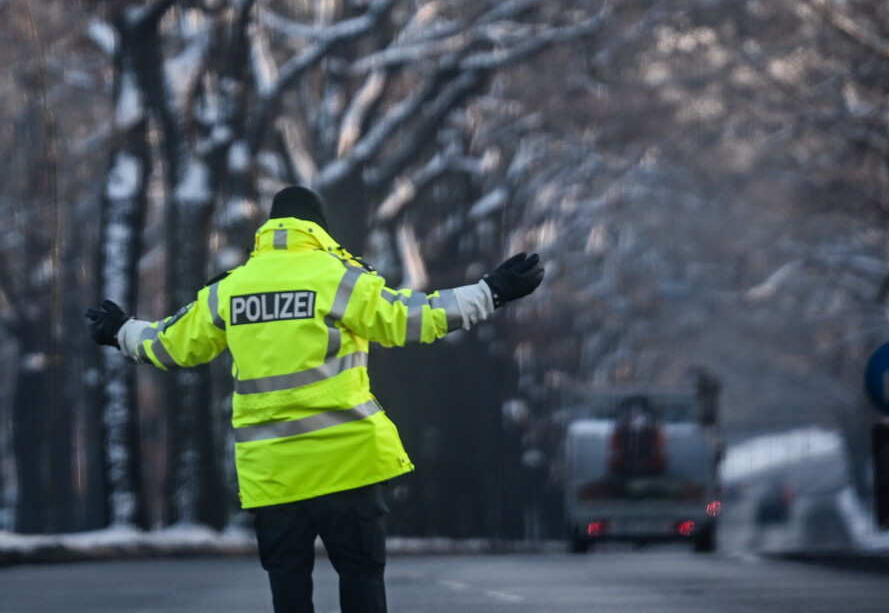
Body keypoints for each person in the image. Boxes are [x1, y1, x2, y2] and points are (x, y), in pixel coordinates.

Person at [85, 185, 544, 613]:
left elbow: (170, 344)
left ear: (270, 230)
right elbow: (412, 318)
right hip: (347, 464)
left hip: (274, 474)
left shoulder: (230, 289)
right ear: (319, 229)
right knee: (362, 578)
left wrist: (120, 329)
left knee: (288, 590)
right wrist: (491, 291)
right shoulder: (337, 278)